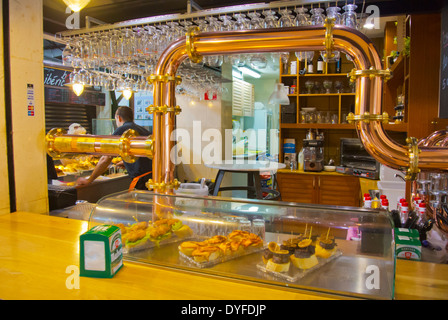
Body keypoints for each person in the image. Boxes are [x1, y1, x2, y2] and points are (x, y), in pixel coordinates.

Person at [77, 106, 152, 190]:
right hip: (151, 178)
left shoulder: (122, 131)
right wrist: (127, 163)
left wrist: (89, 180)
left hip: (141, 181)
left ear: (118, 118)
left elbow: (106, 158)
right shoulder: (143, 130)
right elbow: (143, 153)